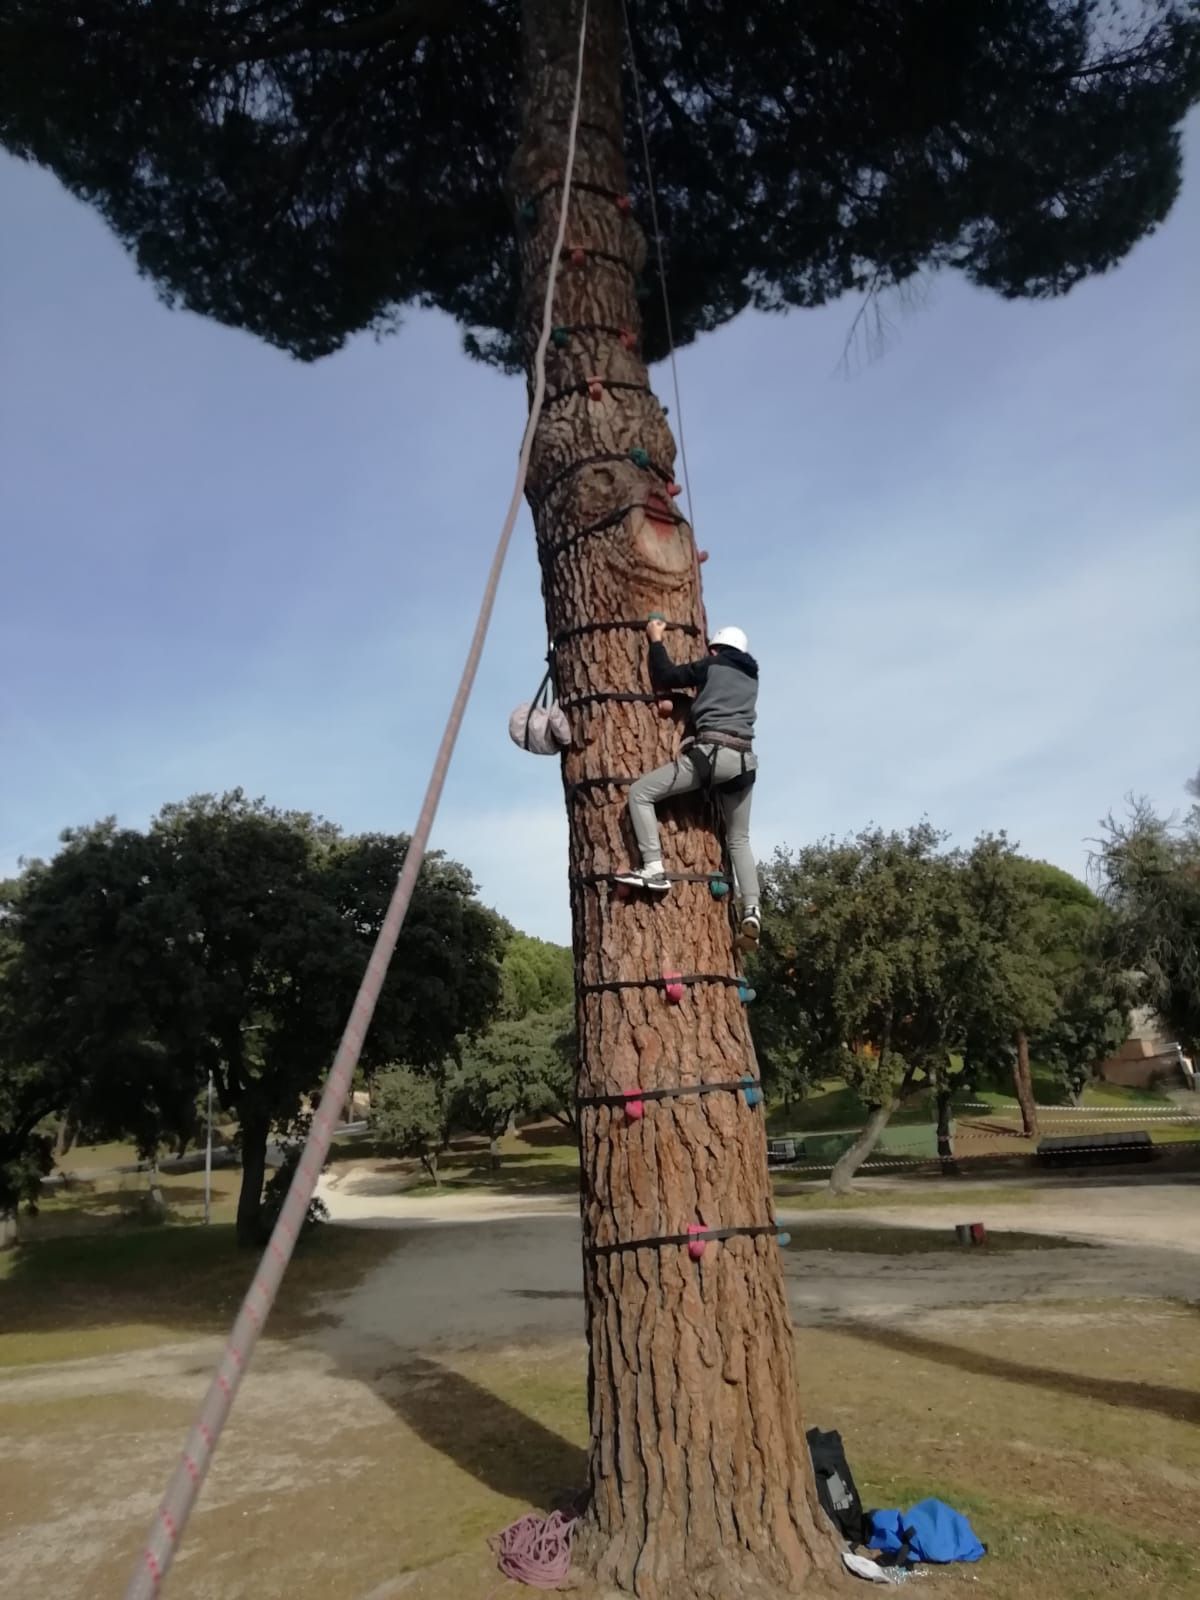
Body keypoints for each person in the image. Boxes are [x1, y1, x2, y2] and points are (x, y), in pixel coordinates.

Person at [615, 618, 761, 942]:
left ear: (715, 649)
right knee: (739, 839)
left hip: (711, 756)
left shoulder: (711, 666)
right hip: (744, 763)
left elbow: (666, 676)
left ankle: (653, 867)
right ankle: (752, 908)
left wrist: (655, 640)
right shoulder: (752, 678)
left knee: (640, 793)